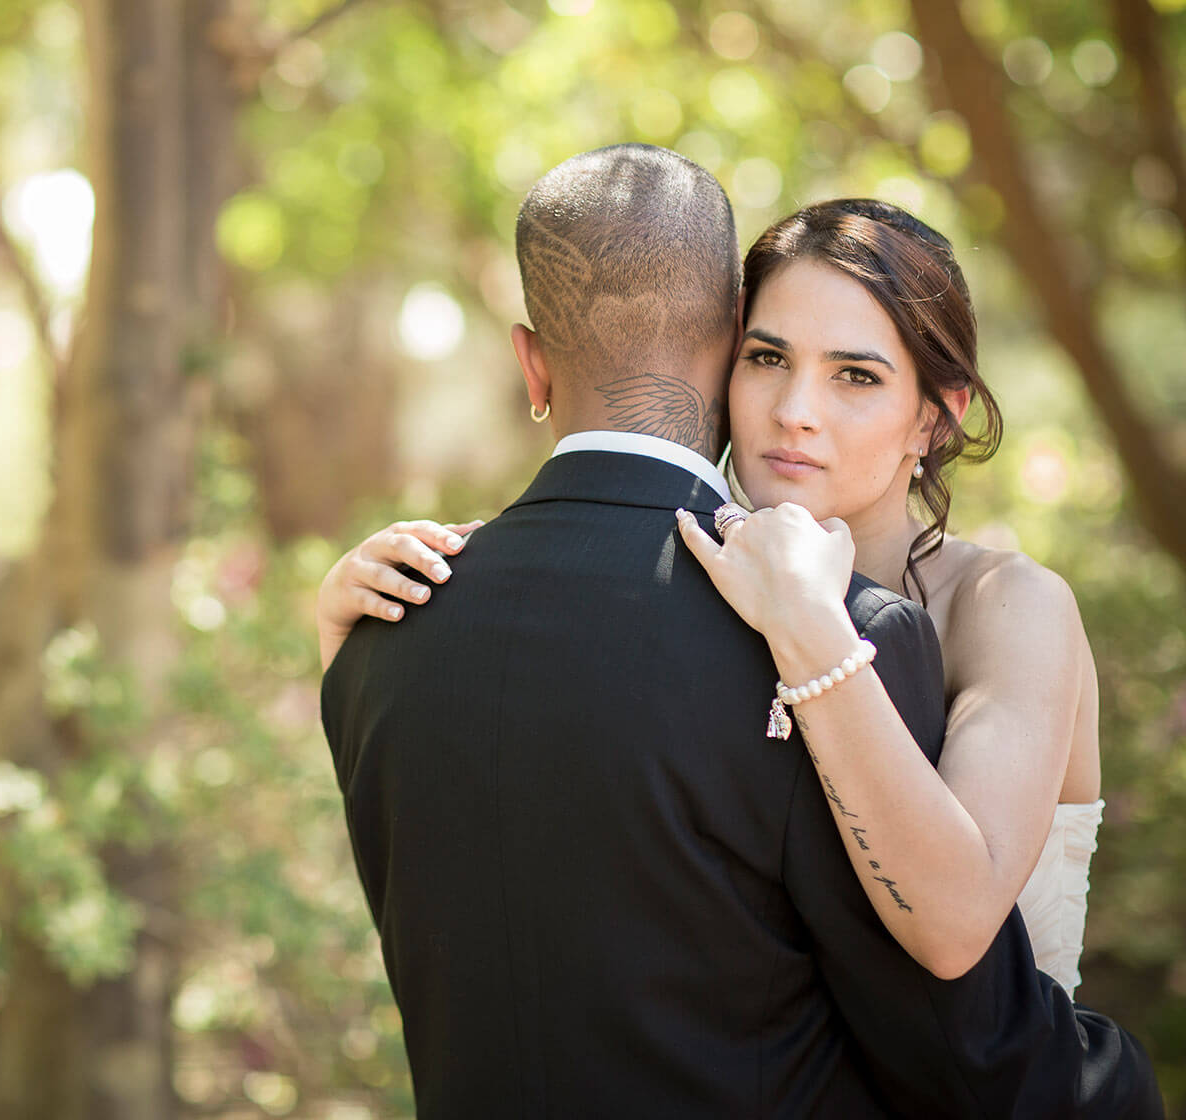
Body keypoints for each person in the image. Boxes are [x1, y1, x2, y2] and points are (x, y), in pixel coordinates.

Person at [318, 143, 1161, 1116]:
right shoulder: (694, 599)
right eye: (767, 358)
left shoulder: (1004, 606)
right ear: (716, 359)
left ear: (935, 416)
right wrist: (351, 635)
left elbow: (956, 933)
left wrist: (813, 636)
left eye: (855, 376)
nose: (795, 412)